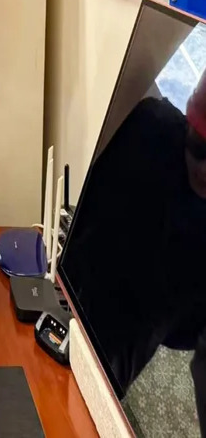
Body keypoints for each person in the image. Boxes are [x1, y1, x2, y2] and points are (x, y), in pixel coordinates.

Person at [65, 73, 206, 434]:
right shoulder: (149, 127)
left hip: (121, 347)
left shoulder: (151, 125)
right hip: (78, 287)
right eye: (200, 147)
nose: (204, 170)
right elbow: (87, 209)